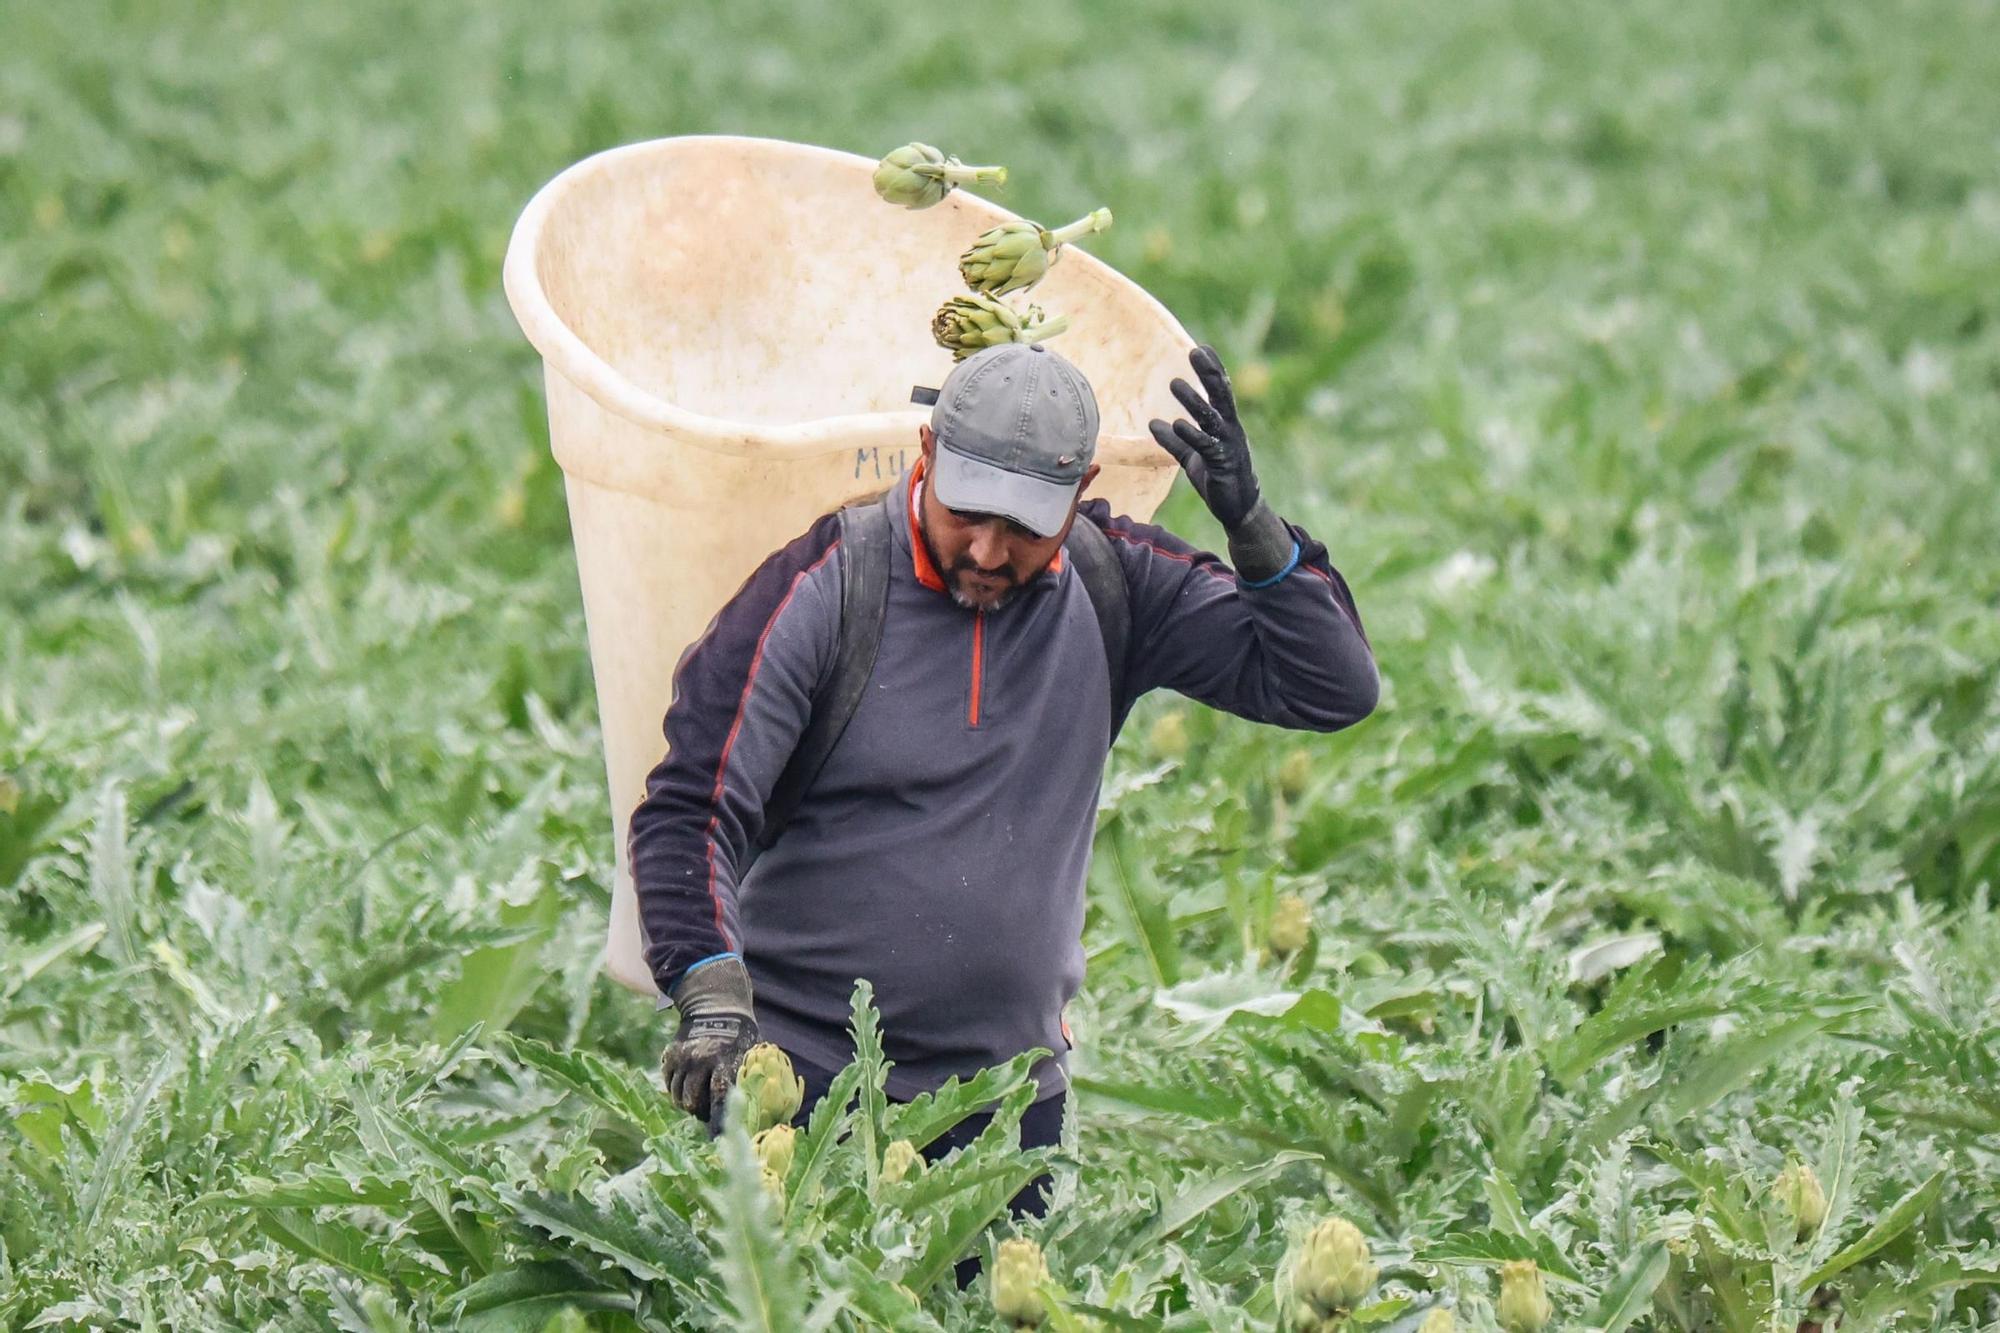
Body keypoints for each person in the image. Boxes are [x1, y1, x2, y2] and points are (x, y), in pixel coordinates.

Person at [631, 340, 1377, 1205]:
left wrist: (1253, 528)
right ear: (927, 455)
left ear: (1082, 491)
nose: (987, 549)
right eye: (966, 511)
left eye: (1023, 524)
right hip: (797, 1089)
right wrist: (715, 997)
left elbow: (1331, 685)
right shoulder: (829, 585)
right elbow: (694, 807)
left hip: (1006, 1106)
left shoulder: (1118, 586)